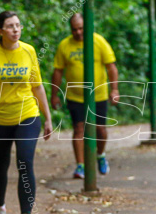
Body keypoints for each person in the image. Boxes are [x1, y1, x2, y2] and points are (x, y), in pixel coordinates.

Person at [0, 10, 52, 214]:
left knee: (24, 161)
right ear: (0, 31)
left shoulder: (28, 51)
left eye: (18, 25)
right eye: (10, 26)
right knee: (0, 166)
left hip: (27, 115)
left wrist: (48, 118)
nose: (16, 30)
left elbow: (37, 86)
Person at [50, 13, 119, 178]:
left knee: (100, 129)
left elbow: (111, 68)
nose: (78, 32)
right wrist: (54, 94)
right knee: (79, 129)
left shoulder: (98, 41)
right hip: (75, 95)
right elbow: (58, 71)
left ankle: (100, 156)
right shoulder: (65, 45)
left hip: (98, 94)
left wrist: (114, 90)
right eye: (75, 29)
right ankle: (80, 165)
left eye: (81, 28)